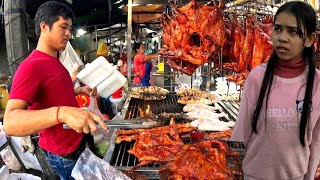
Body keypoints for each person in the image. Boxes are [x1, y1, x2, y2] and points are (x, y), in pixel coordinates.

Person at [3, 1, 106, 180]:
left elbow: (52, 93)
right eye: (63, 27)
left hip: (78, 142)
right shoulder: (31, 66)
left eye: (70, 28)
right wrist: (62, 113)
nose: (68, 33)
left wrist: (80, 90)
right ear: (44, 26)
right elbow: (10, 122)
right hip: (64, 155)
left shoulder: (54, 60)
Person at [231, 1, 320, 180]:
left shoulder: (317, 83)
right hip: (254, 176)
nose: (282, 37)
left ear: (310, 39)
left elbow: (316, 141)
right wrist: (233, 168)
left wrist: (309, 177)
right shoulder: (257, 77)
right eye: (278, 29)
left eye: (293, 31)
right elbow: (240, 132)